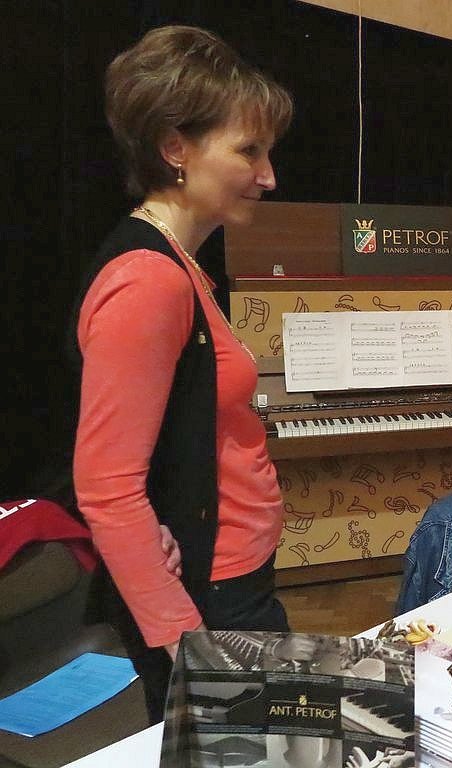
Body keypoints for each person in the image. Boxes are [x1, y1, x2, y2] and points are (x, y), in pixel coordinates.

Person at [72, 25, 294, 721]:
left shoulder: (182, 267)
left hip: (233, 581)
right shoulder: (150, 281)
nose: (268, 176)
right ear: (176, 149)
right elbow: (107, 488)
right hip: (212, 597)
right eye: (248, 151)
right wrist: (187, 644)